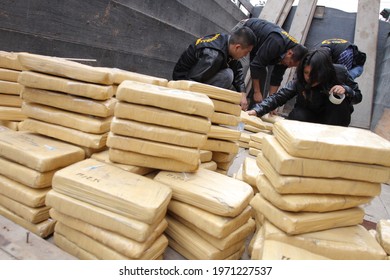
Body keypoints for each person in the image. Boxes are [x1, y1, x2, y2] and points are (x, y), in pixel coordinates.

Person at [247, 48, 362, 127]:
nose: (309, 78)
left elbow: (358, 96)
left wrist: (346, 90)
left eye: (314, 74)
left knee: (340, 104)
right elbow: (279, 97)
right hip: (309, 116)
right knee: (297, 115)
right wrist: (257, 110)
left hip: (332, 120)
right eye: (306, 73)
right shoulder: (300, 79)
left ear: (324, 71)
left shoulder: (340, 73)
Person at [232, 18, 308, 110]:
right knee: (238, 68)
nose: (289, 66)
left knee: (262, 73)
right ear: (289, 53)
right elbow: (256, 65)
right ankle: (231, 103)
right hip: (245, 31)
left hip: (257, 44)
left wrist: (272, 104)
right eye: (291, 63)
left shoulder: (290, 53)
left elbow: (276, 78)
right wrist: (257, 92)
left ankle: (254, 110)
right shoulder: (277, 42)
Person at [172, 27, 256, 96]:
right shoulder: (214, 55)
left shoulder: (227, 42)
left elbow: (237, 69)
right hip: (183, 80)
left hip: (196, 75)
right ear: (237, 47)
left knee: (229, 76)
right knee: (227, 75)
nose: (245, 55)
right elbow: (193, 80)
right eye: (247, 52)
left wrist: (242, 93)